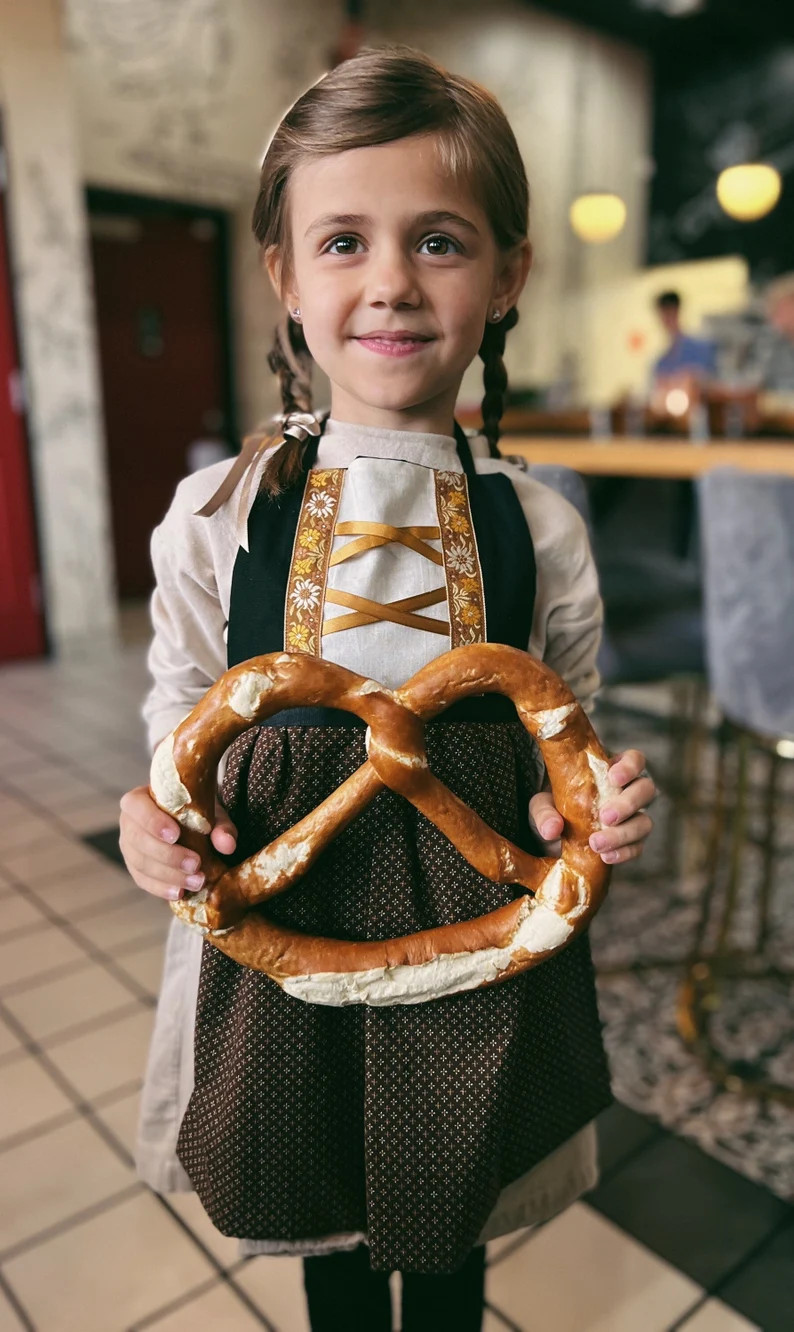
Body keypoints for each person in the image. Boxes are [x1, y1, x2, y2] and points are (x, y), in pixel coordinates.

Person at [119, 47, 656, 1332]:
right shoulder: (216, 514)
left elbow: (566, 735)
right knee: (320, 1197)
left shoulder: (543, 528)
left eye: (439, 241)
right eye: (344, 242)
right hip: (284, 917)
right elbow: (179, 710)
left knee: (456, 1182)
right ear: (285, 277)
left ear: (507, 274)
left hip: (481, 926)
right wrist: (152, 822)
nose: (392, 283)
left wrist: (592, 810)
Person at [653, 290, 718, 384]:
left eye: (671, 313)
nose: (668, 319)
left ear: (678, 312)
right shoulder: (661, 363)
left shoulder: (701, 349)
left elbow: (713, 381)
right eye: (664, 315)